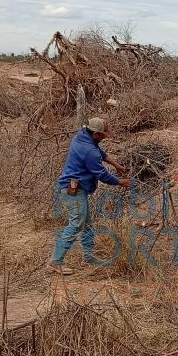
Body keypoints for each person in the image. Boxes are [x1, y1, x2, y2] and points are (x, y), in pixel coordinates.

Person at [47, 116, 130, 273]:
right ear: (96, 135)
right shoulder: (88, 150)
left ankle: (89, 257)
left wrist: (116, 165)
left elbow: (100, 152)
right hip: (74, 190)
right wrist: (120, 182)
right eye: (103, 135)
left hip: (76, 188)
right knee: (77, 223)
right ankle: (55, 262)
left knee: (87, 225)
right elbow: (101, 174)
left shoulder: (82, 136)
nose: (105, 138)